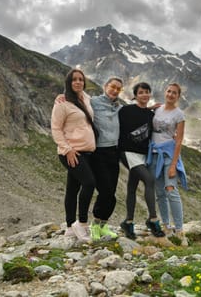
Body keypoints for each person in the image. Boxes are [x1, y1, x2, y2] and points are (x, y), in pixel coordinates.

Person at [51, 68, 97, 242]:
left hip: (86, 152)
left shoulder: (86, 98)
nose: (78, 82)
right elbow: (56, 128)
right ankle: (82, 224)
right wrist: (67, 149)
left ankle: (70, 226)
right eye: (74, 80)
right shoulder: (62, 102)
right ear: (69, 83)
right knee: (89, 182)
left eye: (81, 79)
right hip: (71, 152)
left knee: (72, 189)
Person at [118, 82, 165, 240]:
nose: (144, 95)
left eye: (147, 92)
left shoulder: (151, 115)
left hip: (143, 155)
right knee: (149, 180)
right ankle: (153, 220)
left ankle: (128, 222)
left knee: (132, 186)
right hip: (128, 152)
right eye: (141, 92)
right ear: (135, 95)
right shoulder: (125, 110)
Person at [147, 83, 189, 246]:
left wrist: (173, 165)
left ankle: (179, 230)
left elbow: (178, 141)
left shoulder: (179, 115)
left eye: (174, 93)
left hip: (169, 155)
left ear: (178, 96)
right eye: (169, 91)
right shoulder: (157, 109)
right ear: (165, 92)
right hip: (155, 154)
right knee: (160, 192)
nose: (171, 94)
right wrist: (150, 107)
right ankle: (166, 226)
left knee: (171, 190)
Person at [88, 77, 124, 241]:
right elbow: (78, 100)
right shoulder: (94, 102)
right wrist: (63, 96)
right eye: (113, 87)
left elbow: (134, 112)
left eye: (118, 89)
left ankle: (103, 226)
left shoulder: (118, 107)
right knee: (106, 192)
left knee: (112, 192)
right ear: (105, 86)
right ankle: (95, 225)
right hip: (98, 152)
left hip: (114, 153)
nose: (115, 90)